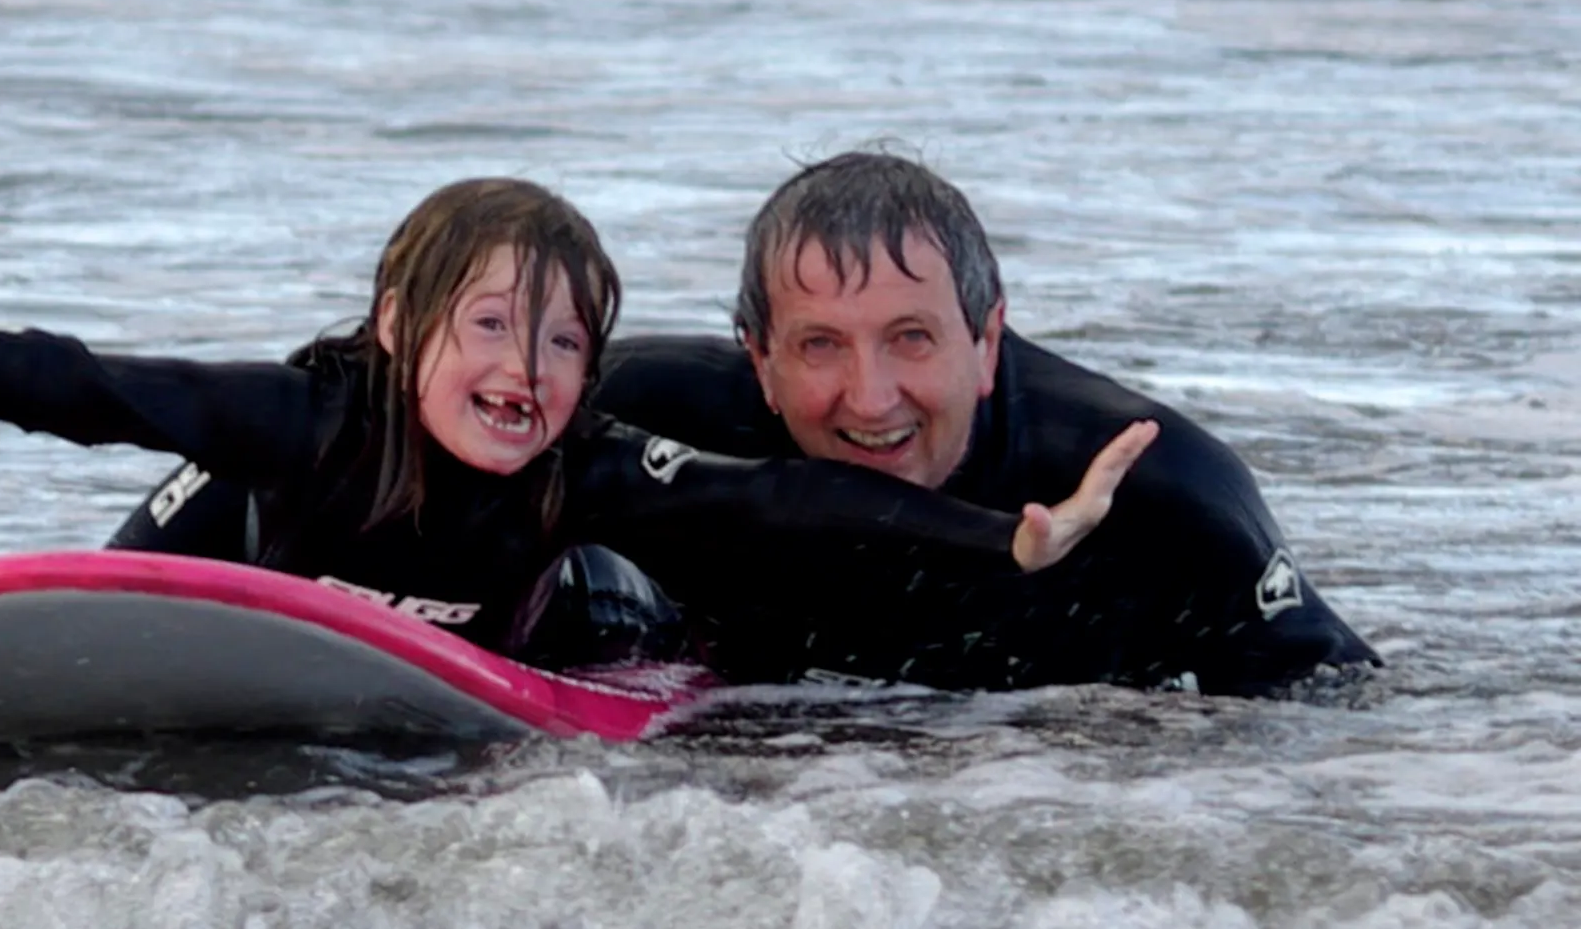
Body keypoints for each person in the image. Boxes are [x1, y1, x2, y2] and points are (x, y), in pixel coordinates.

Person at [0, 178, 1154, 670]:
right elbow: (68, 383)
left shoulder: (584, 472)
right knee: (193, 488)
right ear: (401, 329)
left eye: (568, 340)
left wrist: (1008, 542)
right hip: (261, 576)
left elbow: (792, 506)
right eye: (493, 326)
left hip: (502, 636)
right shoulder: (314, 418)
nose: (529, 370)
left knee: (647, 582)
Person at [587, 151, 1378, 695]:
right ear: (759, 359)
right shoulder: (648, 417)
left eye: (911, 338)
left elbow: (1338, 705)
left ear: (987, 341)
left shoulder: (1161, 498)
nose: (870, 399)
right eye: (820, 345)